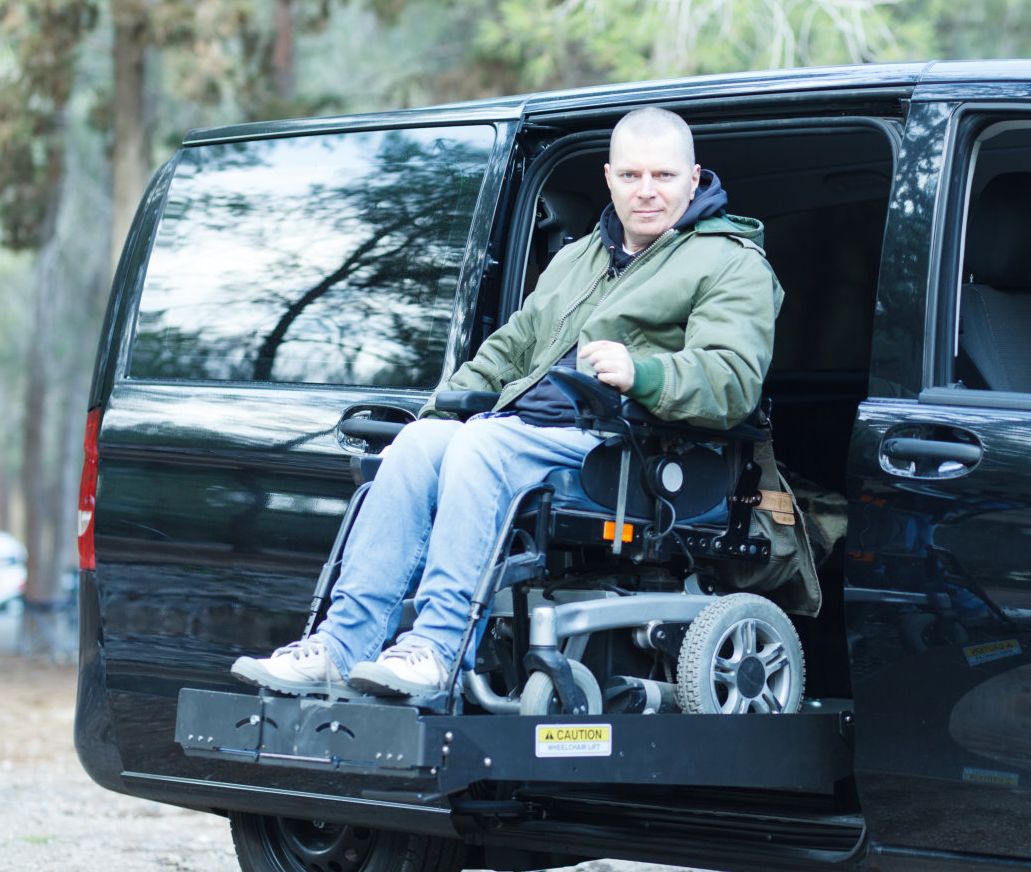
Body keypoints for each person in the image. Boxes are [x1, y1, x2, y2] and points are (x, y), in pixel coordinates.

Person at [233, 107, 781, 699]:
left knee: (482, 443)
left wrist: (643, 373)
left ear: (694, 179)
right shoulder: (579, 257)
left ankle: (436, 650)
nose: (646, 191)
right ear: (608, 179)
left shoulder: (731, 261)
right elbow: (512, 349)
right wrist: (442, 412)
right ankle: (340, 646)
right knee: (420, 443)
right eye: (630, 176)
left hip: (626, 448)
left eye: (664, 177)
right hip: (526, 429)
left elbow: (732, 380)